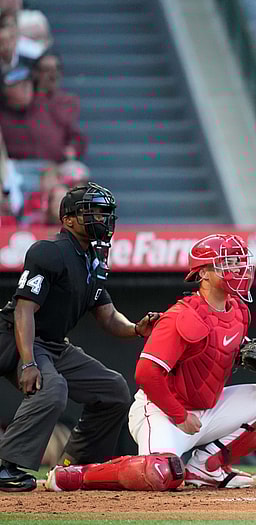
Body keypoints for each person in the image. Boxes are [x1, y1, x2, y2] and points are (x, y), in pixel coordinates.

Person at [45, 234, 256, 491]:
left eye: (239, 262)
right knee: (159, 472)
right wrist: (179, 415)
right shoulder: (181, 316)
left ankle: (208, 467)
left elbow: (215, 350)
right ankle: (76, 475)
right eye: (227, 263)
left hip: (208, 406)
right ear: (203, 273)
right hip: (164, 410)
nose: (237, 269)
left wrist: (244, 353)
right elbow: (146, 373)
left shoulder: (239, 310)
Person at [0, 183, 159, 492]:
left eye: (105, 212)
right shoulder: (49, 251)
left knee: (113, 389)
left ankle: (76, 466)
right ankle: (7, 466)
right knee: (52, 389)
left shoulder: (94, 261)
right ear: (68, 219)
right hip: (16, 336)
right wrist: (29, 362)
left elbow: (108, 316)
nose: (102, 218)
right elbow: (24, 309)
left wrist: (136, 328)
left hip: (53, 343)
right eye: (93, 212)